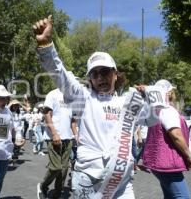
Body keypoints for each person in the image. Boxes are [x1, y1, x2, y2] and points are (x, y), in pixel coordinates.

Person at [33, 15, 142, 198]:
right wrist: (45, 46)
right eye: (94, 74)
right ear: (90, 78)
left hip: (121, 182)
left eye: (105, 72)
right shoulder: (83, 98)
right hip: (88, 179)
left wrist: (152, 95)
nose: (100, 78)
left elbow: (156, 118)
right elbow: (61, 74)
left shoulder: (127, 102)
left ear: (115, 74)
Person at [141, 79, 191, 199]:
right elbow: (176, 135)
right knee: (183, 196)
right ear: (169, 93)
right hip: (168, 163)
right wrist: (189, 156)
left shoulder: (154, 111)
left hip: (159, 162)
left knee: (170, 195)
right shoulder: (168, 110)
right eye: (172, 91)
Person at [37, 88, 77, 199]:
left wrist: (76, 136)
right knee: (56, 168)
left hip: (68, 138)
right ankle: (43, 186)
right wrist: (54, 133)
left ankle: (57, 194)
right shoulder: (53, 94)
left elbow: (73, 120)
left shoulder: (73, 98)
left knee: (64, 170)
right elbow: (46, 113)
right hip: (54, 137)